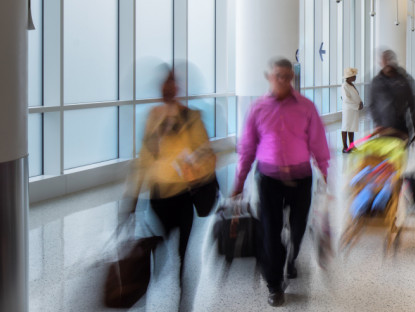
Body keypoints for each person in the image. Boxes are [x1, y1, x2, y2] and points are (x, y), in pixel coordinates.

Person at [232, 57, 331, 307]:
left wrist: (324, 171)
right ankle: (274, 285)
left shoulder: (306, 107)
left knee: (298, 229)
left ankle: (291, 257)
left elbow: (318, 142)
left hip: (301, 177)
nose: (284, 81)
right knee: (270, 231)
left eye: (288, 76)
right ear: (269, 77)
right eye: (279, 76)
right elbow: (247, 148)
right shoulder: (257, 108)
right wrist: (239, 181)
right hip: (269, 180)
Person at [125, 66, 216, 291]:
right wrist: (132, 197)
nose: (167, 88)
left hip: (184, 194)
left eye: (172, 83)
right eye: (164, 83)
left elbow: (206, 152)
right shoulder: (153, 117)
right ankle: (157, 274)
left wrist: (192, 164)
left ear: (178, 88)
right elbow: (144, 158)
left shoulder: (190, 116)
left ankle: (184, 291)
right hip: (158, 194)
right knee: (160, 241)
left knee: (183, 251)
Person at [369, 49, 415, 145]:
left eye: (390, 59)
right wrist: (377, 123)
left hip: (401, 131)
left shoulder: (405, 80)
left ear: (394, 61)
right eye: (385, 60)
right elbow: (372, 105)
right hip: (384, 131)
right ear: (381, 63)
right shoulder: (376, 82)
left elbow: (414, 107)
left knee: (400, 154)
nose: (388, 62)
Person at [342, 67, 363, 153]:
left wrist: (360, 102)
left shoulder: (351, 84)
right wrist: (357, 106)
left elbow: (355, 96)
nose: (355, 77)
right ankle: (345, 147)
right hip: (349, 109)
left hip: (353, 109)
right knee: (346, 127)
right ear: (349, 77)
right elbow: (346, 99)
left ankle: (352, 145)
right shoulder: (344, 86)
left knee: (352, 127)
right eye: (354, 76)